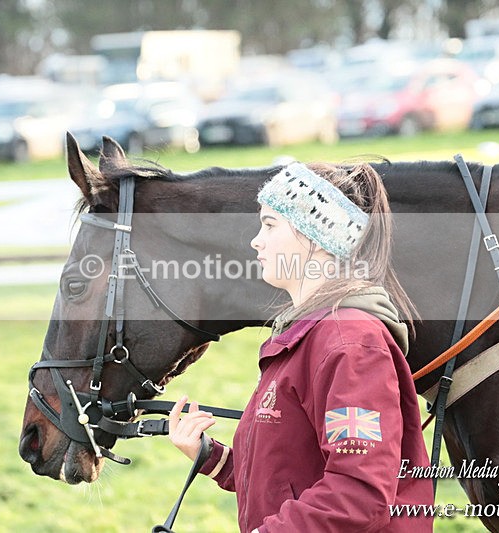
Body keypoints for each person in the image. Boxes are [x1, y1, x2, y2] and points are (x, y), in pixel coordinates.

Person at [168, 162, 434, 532]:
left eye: (270, 224)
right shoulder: (308, 335)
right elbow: (291, 476)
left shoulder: (351, 345)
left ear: (316, 236)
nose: (256, 241)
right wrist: (211, 457)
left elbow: (359, 493)